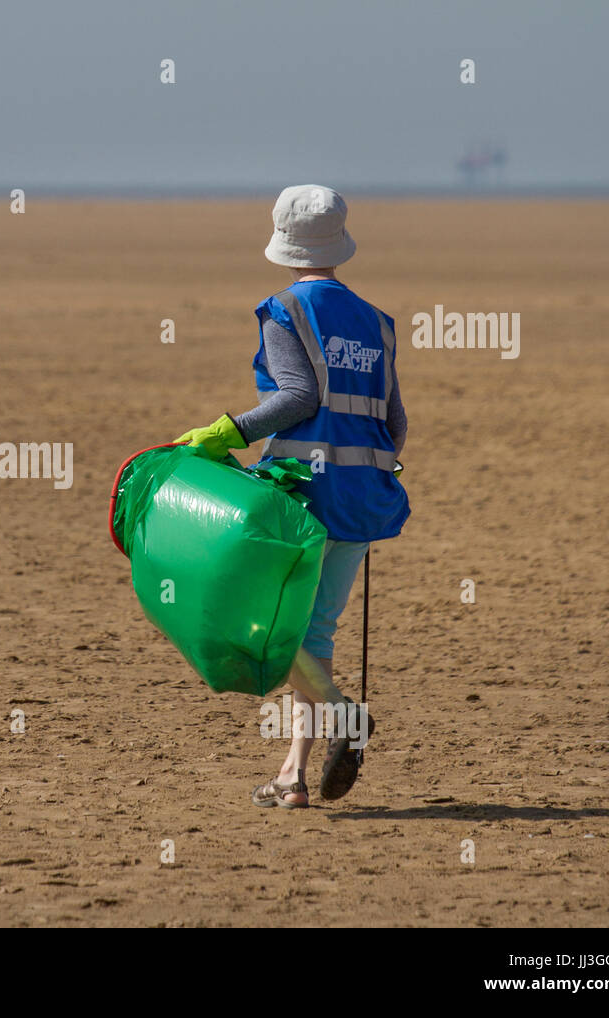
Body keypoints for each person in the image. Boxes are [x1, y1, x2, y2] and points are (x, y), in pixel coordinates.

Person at [174, 185, 409, 808]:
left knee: (271, 633)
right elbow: (396, 425)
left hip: (303, 499)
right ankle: (292, 776)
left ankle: (342, 715)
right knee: (315, 636)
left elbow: (298, 396)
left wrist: (226, 432)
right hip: (364, 497)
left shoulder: (285, 310)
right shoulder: (377, 322)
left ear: (284, 244)